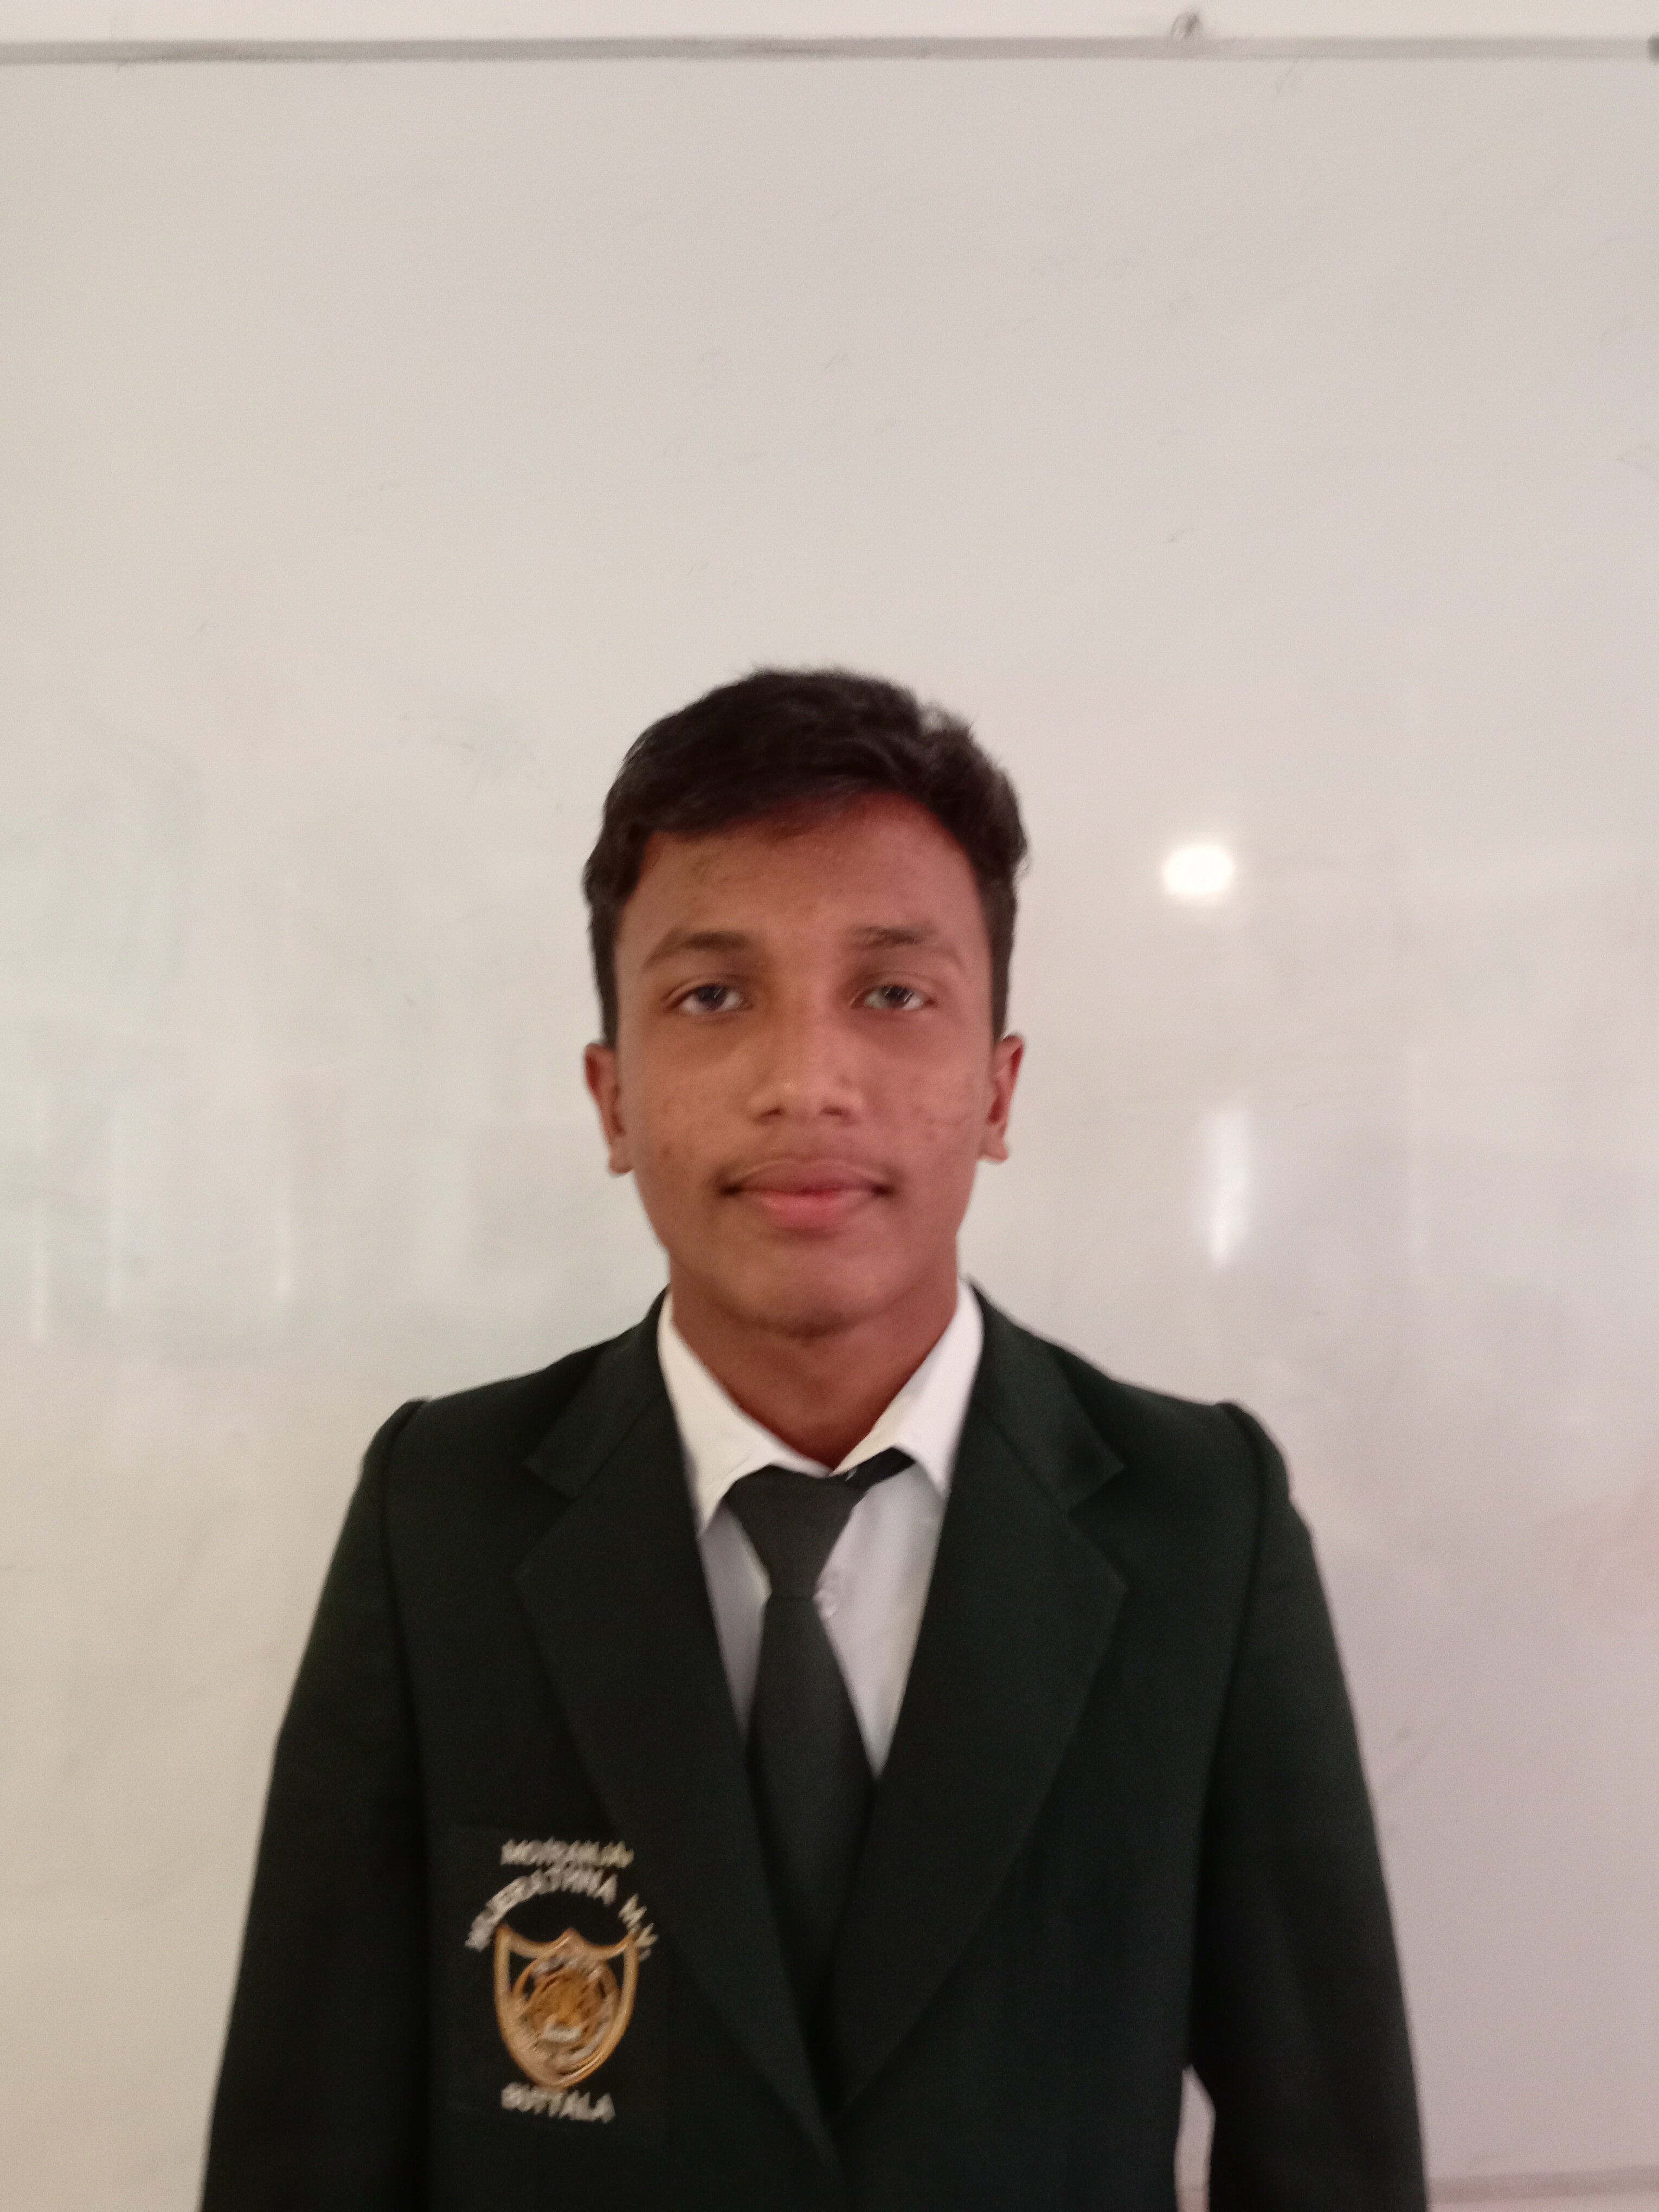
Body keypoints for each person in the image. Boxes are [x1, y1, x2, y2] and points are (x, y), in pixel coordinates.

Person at [202, 668, 1427, 2211]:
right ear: (611, 1098)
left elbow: (1326, 2152)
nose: (806, 1083)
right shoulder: (442, 1512)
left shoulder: (1199, 1523)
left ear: (997, 1086)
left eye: (893, 993)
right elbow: (307, 2135)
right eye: (712, 997)